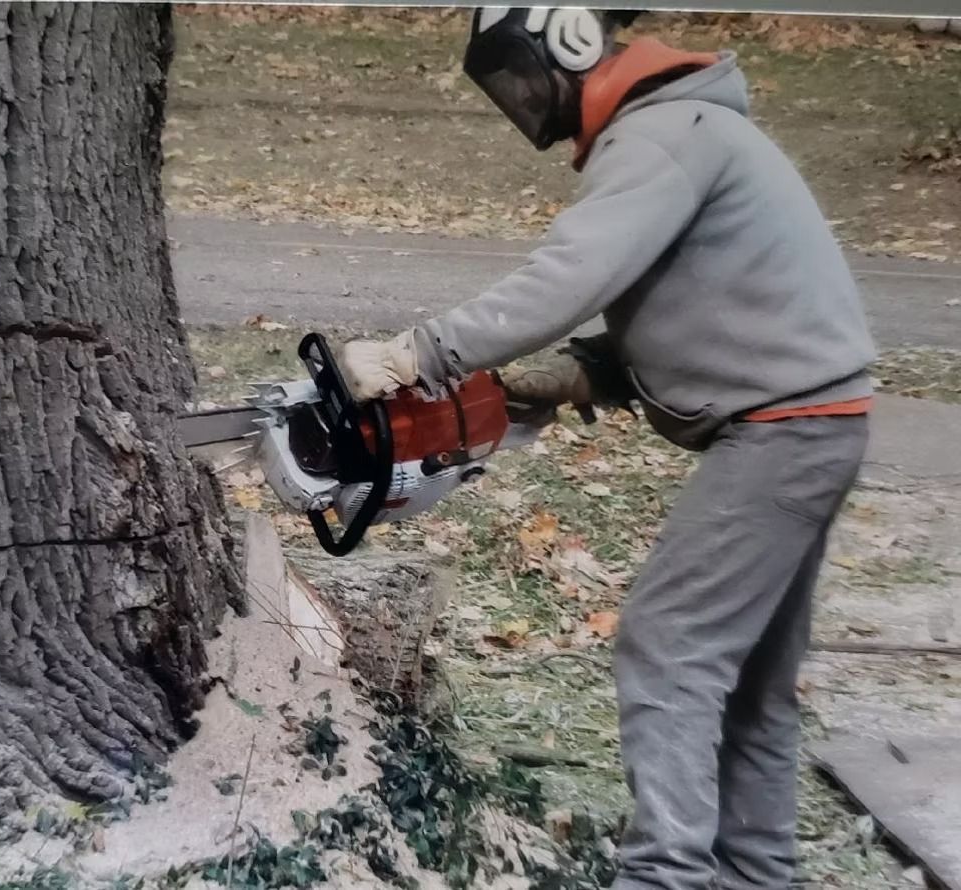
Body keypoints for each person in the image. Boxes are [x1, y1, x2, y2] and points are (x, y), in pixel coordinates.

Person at [337, 8, 876, 890]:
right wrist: (588, 373)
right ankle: (755, 874)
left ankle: (664, 875)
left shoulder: (662, 135)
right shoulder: (687, 129)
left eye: (518, 74)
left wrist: (416, 355)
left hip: (783, 431)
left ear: (571, 45)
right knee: (751, 682)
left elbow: (573, 272)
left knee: (669, 648)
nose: (517, 100)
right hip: (816, 419)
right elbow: (711, 300)